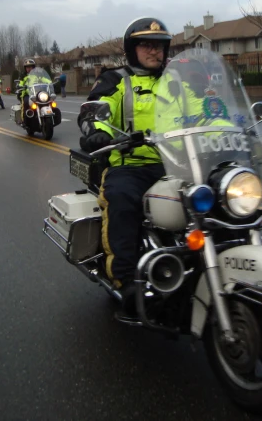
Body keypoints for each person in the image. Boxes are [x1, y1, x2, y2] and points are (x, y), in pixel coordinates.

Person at [78, 17, 172, 317]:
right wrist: (97, 130)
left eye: (159, 46)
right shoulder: (117, 80)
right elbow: (98, 106)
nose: (154, 52)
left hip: (175, 165)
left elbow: (205, 109)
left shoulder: (178, 83)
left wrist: (226, 124)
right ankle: (127, 279)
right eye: (146, 45)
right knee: (121, 200)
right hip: (130, 164)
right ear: (132, 50)